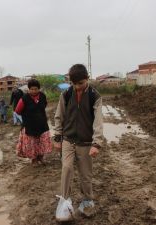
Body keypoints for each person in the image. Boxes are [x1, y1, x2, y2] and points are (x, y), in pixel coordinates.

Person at [53, 64, 103, 220]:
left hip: (86, 142)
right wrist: (57, 137)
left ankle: (88, 200)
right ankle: (65, 202)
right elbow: (59, 115)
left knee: (86, 175)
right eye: (74, 84)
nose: (77, 87)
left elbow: (98, 121)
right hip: (68, 139)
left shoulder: (95, 96)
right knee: (66, 168)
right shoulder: (67, 94)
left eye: (80, 83)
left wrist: (96, 143)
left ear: (87, 79)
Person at [15, 79, 52, 165]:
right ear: (29, 89)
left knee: (42, 142)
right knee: (32, 144)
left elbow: (44, 105)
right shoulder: (24, 99)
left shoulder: (42, 96)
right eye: (31, 89)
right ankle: (34, 159)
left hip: (42, 124)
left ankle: (41, 157)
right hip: (30, 126)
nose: (34, 91)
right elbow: (17, 111)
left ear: (39, 89)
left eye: (36, 89)